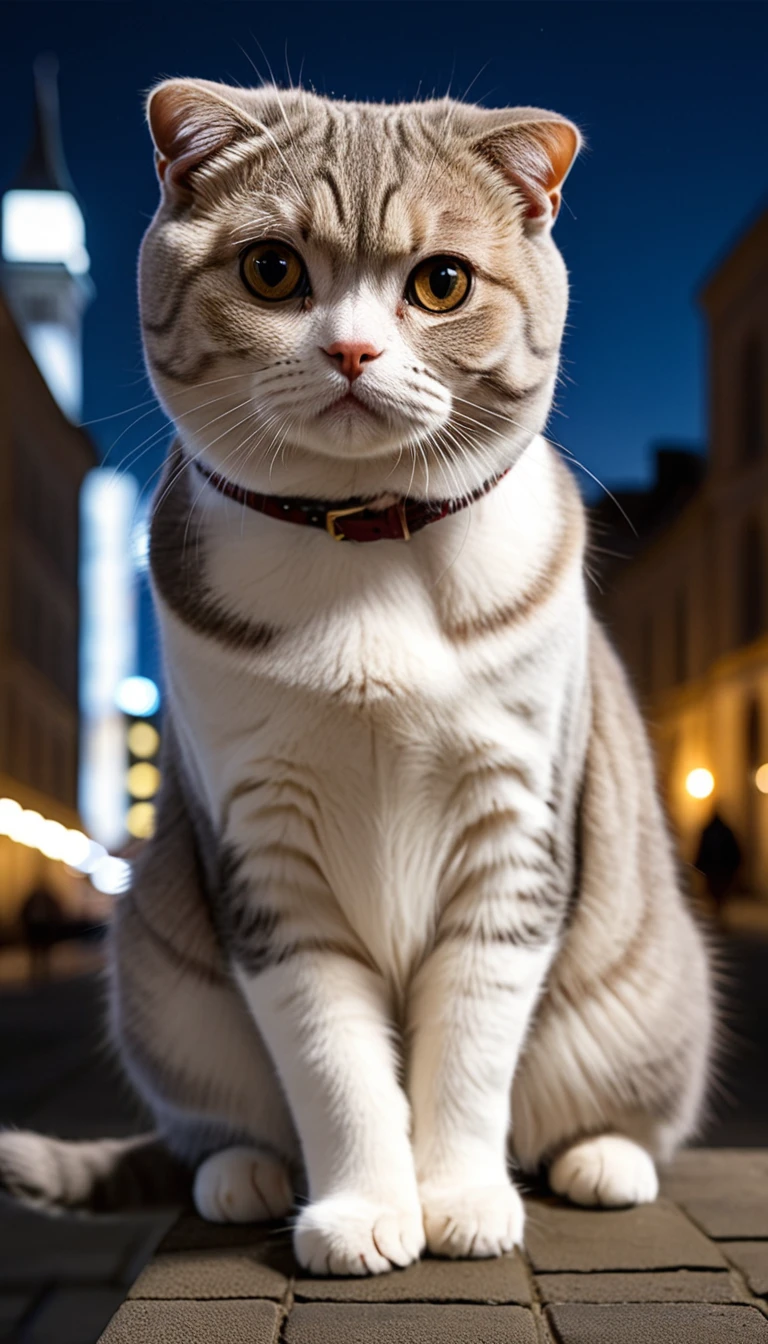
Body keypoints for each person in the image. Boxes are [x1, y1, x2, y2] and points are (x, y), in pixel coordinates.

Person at [694, 811, 742, 924]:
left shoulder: (709, 832)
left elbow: (702, 851)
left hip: (715, 870)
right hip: (721, 870)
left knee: (716, 895)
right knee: (719, 896)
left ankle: (718, 916)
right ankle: (718, 916)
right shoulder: (726, 832)